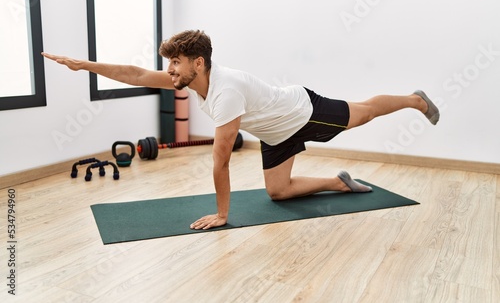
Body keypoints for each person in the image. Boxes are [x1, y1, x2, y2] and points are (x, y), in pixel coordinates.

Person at [42, 29, 440, 230]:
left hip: (300, 112)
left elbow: (220, 161)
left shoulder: (225, 93)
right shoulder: (190, 80)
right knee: (278, 192)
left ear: (198, 63)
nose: (169, 71)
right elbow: (134, 73)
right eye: (169, 64)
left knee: (366, 112)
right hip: (275, 132)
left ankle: (415, 100)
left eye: (176, 63)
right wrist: (84, 65)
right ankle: (338, 182)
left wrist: (222, 213)